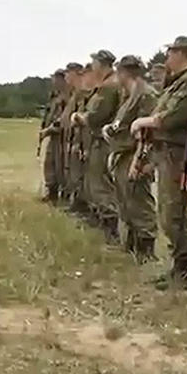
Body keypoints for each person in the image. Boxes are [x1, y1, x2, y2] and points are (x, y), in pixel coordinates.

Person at [131, 36, 187, 290]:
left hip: (180, 155)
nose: (167, 58)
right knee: (168, 211)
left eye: (171, 52)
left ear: (182, 54)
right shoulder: (181, 81)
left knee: (174, 212)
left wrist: (145, 122)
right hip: (169, 153)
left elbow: (175, 116)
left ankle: (186, 271)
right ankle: (180, 266)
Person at [104, 55, 158, 261]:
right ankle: (133, 243)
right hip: (123, 153)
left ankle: (146, 250)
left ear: (124, 72)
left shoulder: (146, 95)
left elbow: (148, 133)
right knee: (127, 201)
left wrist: (141, 160)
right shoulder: (130, 94)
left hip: (136, 154)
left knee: (140, 202)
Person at [72, 50, 122, 242]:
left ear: (101, 64)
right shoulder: (108, 84)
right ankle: (105, 223)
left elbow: (95, 116)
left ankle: (110, 229)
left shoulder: (109, 87)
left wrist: (79, 117)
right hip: (102, 139)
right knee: (99, 183)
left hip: (103, 142)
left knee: (102, 185)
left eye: (93, 63)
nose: (92, 67)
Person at [60, 63, 86, 213]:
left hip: (79, 138)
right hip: (71, 136)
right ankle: (75, 203)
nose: (66, 77)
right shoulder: (75, 92)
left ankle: (80, 206)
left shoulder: (82, 92)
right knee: (72, 172)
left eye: (68, 73)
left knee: (78, 174)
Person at [39, 70, 68, 203]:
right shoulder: (54, 96)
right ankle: (51, 191)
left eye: (56, 79)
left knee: (58, 164)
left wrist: (50, 129)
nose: (53, 81)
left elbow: (62, 119)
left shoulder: (66, 97)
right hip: (52, 134)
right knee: (49, 163)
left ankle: (57, 193)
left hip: (60, 135)